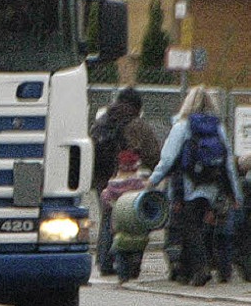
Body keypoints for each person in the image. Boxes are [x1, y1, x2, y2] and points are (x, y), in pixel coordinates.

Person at [147, 85, 242, 286]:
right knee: (202, 226)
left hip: (188, 186)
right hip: (212, 185)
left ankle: (200, 269)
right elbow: (227, 163)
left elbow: (168, 158)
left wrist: (153, 180)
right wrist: (235, 194)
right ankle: (193, 271)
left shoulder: (182, 126)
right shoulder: (218, 127)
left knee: (189, 228)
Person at [91, 87, 160, 274]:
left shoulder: (101, 122)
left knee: (107, 216)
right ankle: (126, 262)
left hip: (101, 179)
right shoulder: (136, 124)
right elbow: (153, 154)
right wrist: (157, 175)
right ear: (137, 106)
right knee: (128, 220)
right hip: (127, 178)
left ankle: (104, 261)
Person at [101, 149, 149, 283]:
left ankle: (122, 273)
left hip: (118, 220)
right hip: (135, 219)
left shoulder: (112, 184)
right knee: (138, 242)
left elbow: (105, 199)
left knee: (120, 244)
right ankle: (135, 267)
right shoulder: (137, 183)